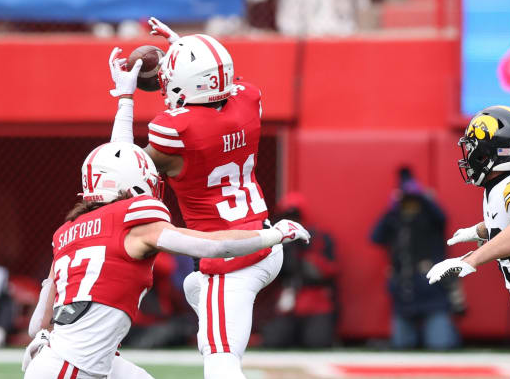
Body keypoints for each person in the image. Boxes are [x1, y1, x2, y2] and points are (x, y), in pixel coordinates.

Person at [22, 142, 309, 379]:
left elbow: (37, 326)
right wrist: (272, 236)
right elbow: (211, 246)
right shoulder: (134, 218)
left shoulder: (66, 232)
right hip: (75, 368)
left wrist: (125, 98)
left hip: (57, 359)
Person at [107, 18, 282, 379]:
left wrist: (125, 97)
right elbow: (222, 80)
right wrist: (183, 46)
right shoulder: (248, 101)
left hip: (230, 258)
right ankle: (221, 319)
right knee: (192, 286)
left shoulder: (177, 133)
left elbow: (118, 167)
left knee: (219, 360)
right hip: (266, 238)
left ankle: (221, 332)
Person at [428, 105, 510, 378]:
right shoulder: (506, 184)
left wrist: (471, 260)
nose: (470, 155)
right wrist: (481, 230)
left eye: (474, 148)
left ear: (493, 151)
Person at [371, 167, 462, 350]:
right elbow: (376, 237)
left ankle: (445, 331)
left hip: (431, 288)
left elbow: (442, 217)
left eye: (414, 202)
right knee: (402, 345)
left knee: (440, 344)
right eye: (407, 202)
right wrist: (393, 208)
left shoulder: (430, 219)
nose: (410, 207)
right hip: (404, 289)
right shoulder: (396, 220)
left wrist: (424, 198)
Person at [261, 192, 339, 349]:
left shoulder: (319, 239)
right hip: (289, 299)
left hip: (315, 300)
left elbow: (331, 270)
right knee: (274, 341)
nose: (293, 220)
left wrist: (308, 260)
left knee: (318, 343)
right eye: (288, 216)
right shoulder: (277, 242)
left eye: (295, 215)